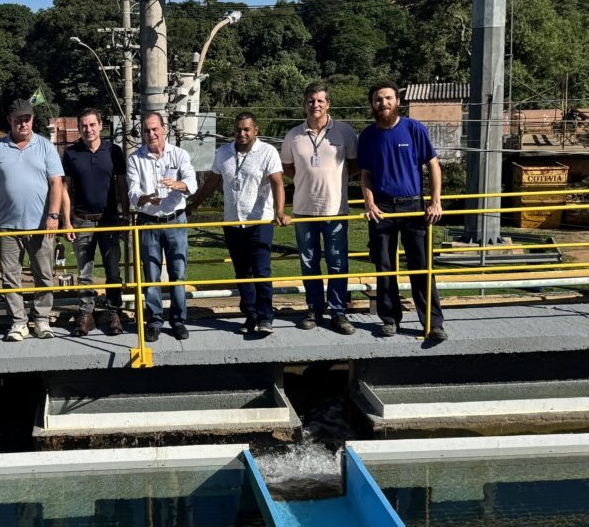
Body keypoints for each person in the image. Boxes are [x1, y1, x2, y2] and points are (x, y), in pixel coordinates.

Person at [358, 81, 447, 341]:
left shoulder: (413, 128)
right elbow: (366, 175)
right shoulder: (368, 136)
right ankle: (389, 319)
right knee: (385, 267)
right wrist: (369, 203)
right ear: (372, 105)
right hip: (382, 209)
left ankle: (433, 322)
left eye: (388, 98)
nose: (383, 103)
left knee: (421, 267)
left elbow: (433, 166)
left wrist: (436, 201)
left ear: (397, 101)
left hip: (413, 206)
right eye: (378, 99)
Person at [188, 112, 289, 336]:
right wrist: (193, 205)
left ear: (256, 130)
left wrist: (280, 212)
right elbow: (212, 183)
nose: (242, 133)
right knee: (242, 272)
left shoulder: (267, 152)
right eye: (238, 130)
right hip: (233, 222)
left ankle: (266, 317)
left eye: (246, 129)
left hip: (259, 221)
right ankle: (250, 316)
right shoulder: (223, 152)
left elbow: (277, 183)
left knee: (261, 271)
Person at [0, 98, 64, 341]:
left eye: (27, 119)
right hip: (7, 225)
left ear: (32, 120)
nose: (23, 124)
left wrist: (53, 216)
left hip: (40, 225)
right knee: (10, 276)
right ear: (10, 120)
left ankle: (42, 319)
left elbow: (56, 183)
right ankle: (18, 322)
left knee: (43, 274)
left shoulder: (45, 146)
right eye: (18, 120)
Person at [280, 82, 359, 335]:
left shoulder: (344, 131)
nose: (315, 105)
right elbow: (287, 167)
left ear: (328, 104)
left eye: (320, 100)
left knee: (337, 262)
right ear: (304, 104)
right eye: (311, 101)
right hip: (304, 209)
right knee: (309, 263)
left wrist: (338, 178)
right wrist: (306, 177)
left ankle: (338, 312)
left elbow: (355, 164)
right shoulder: (293, 135)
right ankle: (314, 308)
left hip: (335, 209)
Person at [126, 112, 197, 342]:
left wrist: (177, 184)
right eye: (146, 130)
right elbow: (132, 191)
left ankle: (178, 321)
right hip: (148, 223)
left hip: (176, 221)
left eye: (155, 129)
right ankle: (155, 321)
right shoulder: (135, 159)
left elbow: (192, 182)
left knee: (178, 273)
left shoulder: (179, 154)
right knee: (151, 275)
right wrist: (145, 198)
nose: (151, 134)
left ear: (164, 129)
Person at [61, 107, 127, 337]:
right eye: (84, 126)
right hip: (82, 220)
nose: (88, 129)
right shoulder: (71, 153)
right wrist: (67, 221)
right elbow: (65, 188)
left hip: (109, 220)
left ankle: (114, 311)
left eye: (92, 125)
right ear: (79, 129)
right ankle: (86, 314)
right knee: (84, 273)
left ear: (100, 126)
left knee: (113, 270)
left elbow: (122, 185)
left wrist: (125, 216)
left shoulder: (114, 151)